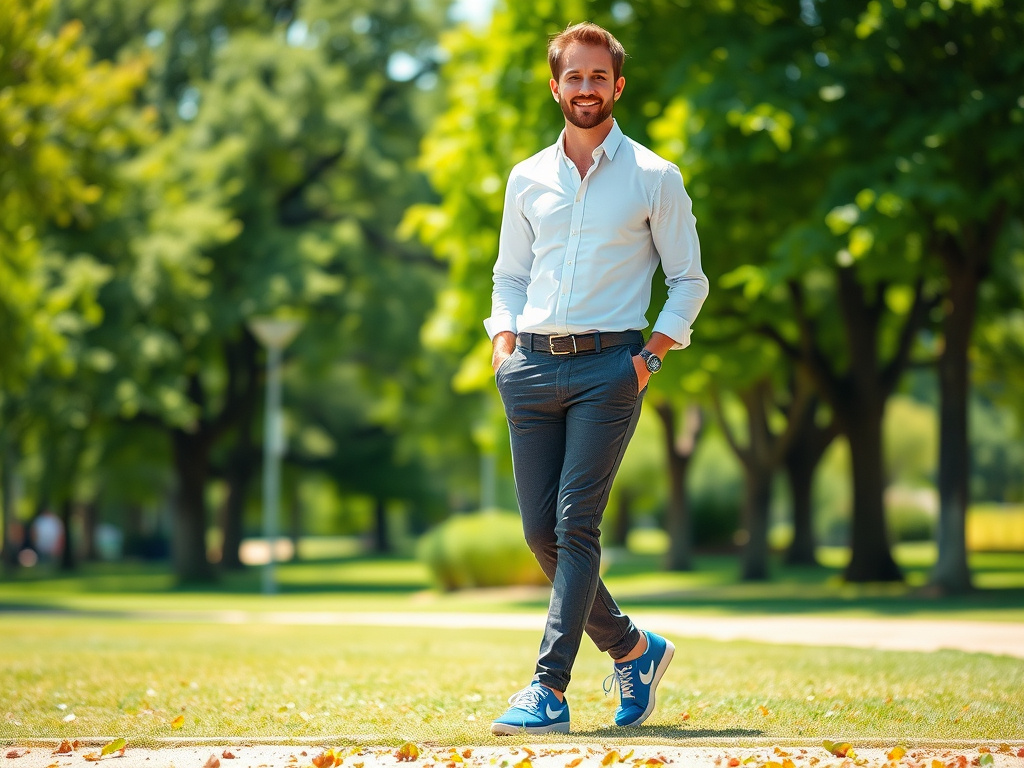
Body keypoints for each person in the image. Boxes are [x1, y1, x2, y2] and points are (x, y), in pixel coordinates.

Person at [485, 22, 709, 735]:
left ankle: (547, 689)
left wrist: (652, 358)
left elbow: (688, 280)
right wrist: (502, 341)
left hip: (611, 368)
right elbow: (509, 275)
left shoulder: (654, 176)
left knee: (575, 526)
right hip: (531, 367)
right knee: (540, 535)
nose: (586, 88)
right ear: (556, 87)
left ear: (618, 86)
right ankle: (633, 649)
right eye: (573, 77)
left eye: (598, 77)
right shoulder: (526, 177)